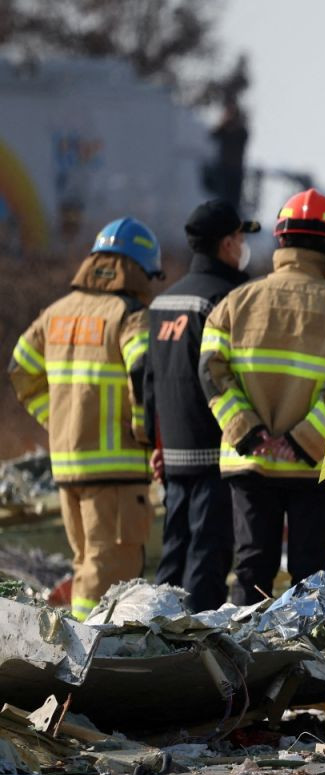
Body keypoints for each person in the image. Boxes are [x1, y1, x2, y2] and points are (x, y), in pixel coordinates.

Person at [199, 189, 325, 604]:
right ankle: (303, 663)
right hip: (316, 467)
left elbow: (210, 371)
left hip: (249, 461)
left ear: (281, 241)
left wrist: (250, 433)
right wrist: (300, 442)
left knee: (250, 573)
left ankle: (243, 663)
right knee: (311, 581)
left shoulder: (233, 303)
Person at [9, 218, 161, 619]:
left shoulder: (55, 314)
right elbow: (143, 371)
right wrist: (146, 432)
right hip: (117, 473)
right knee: (111, 573)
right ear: (139, 268)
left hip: (68, 468)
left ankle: (80, 653)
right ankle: (93, 660)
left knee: (85, 566)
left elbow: (20, 369)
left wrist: (57, 421)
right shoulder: (131, 315)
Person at [143, 200, 259, 612]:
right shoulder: (229, 300)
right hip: (218, 455)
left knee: (172, 559)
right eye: (242, 238)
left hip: (172, 456)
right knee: (208, 565)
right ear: (227, 243)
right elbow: (237, 376)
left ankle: (154, 639)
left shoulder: (161, 305)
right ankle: (192, 655)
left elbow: (148, 381)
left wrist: (154, 445)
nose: (244, 247)